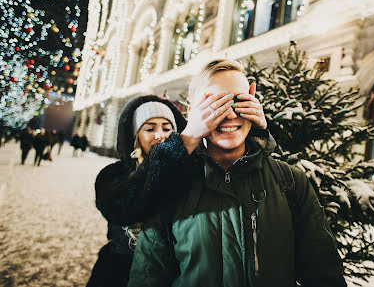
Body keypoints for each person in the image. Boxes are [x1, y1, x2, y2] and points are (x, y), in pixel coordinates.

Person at [128, 59, 346, 287]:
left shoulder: (290, 181)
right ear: (193, 115)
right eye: (215, 103)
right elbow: (147, 277)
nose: (230, 115)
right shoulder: (171, 184)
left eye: (238, 101)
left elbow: (323, 273)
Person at [87, 95, 187, 287]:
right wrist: (161, 160)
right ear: (135, 135)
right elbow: (124, 208)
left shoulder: (186, 174)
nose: (160, 135)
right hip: (119, 273)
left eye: (167, 128)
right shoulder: (113, 175)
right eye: (150, 129)